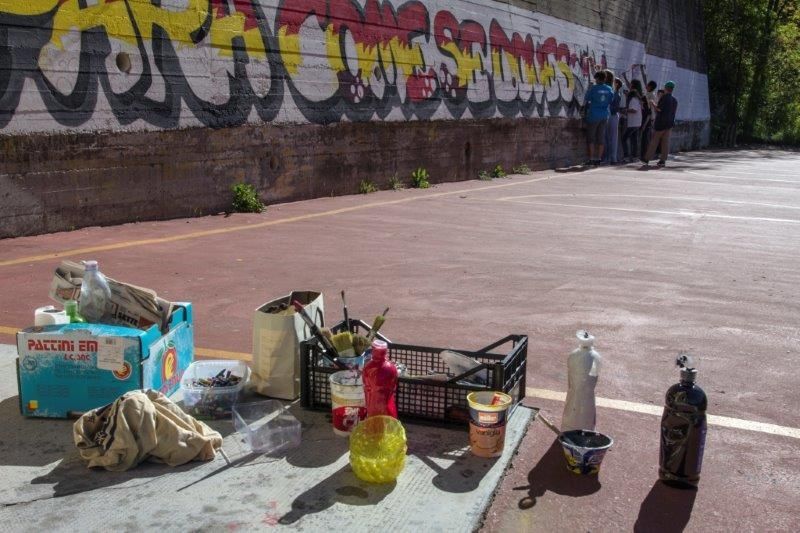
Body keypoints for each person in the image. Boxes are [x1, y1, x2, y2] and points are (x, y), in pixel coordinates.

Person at [644, 80, 678, 167]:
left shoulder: (664, 98)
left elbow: (659, 109)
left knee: (654, 141)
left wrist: (652, 103)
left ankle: (647, 158)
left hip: (661, 123)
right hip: (669, 124)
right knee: (665, 142)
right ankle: (663, 160)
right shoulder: (674, 100)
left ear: (666, 88)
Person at [583, 71, 614, 166]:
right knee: (601, 138)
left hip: (594, 115)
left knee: (591, 138)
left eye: (596, 78)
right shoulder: (609, 89)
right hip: (604, 115)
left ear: (597, 78)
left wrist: (589, 88)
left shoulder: (594, 88)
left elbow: (587, 98)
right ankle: (599, 159)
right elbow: (611, 100)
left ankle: (591, 159)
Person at [621, 79, 644, 163]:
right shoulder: (637, 98)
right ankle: (634, 157)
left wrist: (625, 110)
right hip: (636, 122)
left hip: (633, 122)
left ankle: (626, 156)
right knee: (634, 140)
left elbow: (634, 110)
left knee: (624, 139)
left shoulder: (634, 99)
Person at [602, 77, 623, 165]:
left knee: (611, 137)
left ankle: (611, 157)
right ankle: (611, 157)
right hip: (612, 115)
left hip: (612, 115)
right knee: (611, 137)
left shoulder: (616, 94)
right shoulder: (614, 93)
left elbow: (613, 106)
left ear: (617, 84)